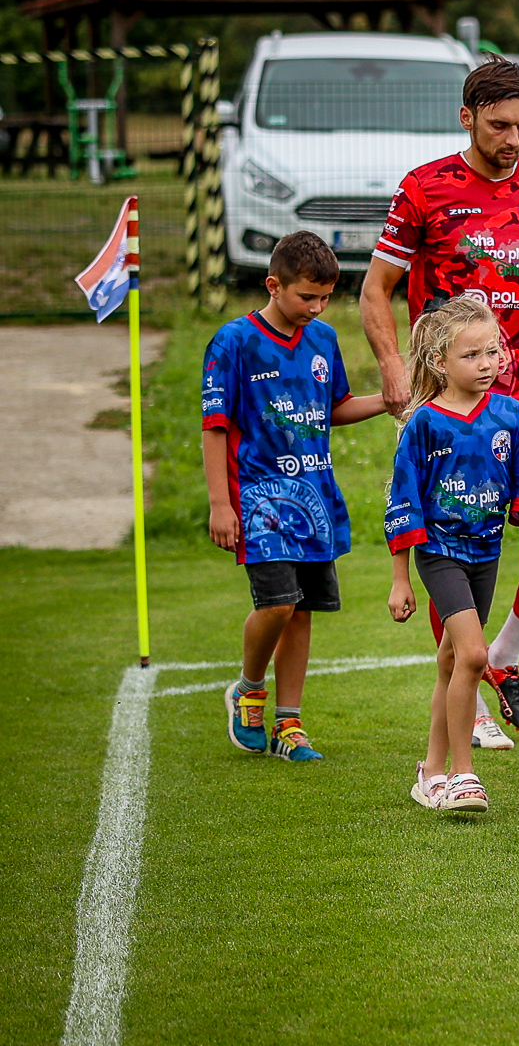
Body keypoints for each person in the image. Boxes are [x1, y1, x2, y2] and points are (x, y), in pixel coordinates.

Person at [360, 57, 519, 751]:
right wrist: (394, 365)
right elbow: (376, 288)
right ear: (467, 118)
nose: (513, 139)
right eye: (500, 125)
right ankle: (468, 694)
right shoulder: (426, 189)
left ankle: (500, 655)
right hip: (449, 403)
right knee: (452, 535)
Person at [204, 232, 387, 760]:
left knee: (302, 609)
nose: (317, 307)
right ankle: (248, 688)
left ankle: (289, 724)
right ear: (273, 285)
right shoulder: (234, 342)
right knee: (279, 602)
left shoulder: (323, 340)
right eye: (307, 296)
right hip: (259, 499)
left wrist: (388, 400)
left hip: (314, 499)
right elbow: (214, 427)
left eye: (325, 297)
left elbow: (337, 406)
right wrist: (221, 504)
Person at [385, 296, 519, 813]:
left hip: (487, 550)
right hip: (438, 551)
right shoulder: (425, 424)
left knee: (451, 659)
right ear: (440, 363)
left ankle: (428, 771)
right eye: (471, 355)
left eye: (492, 352)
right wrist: (401, 580)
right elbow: (402, 502)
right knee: (474, 656)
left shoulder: (511, 415)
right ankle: (462, 775)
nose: (486, 364)